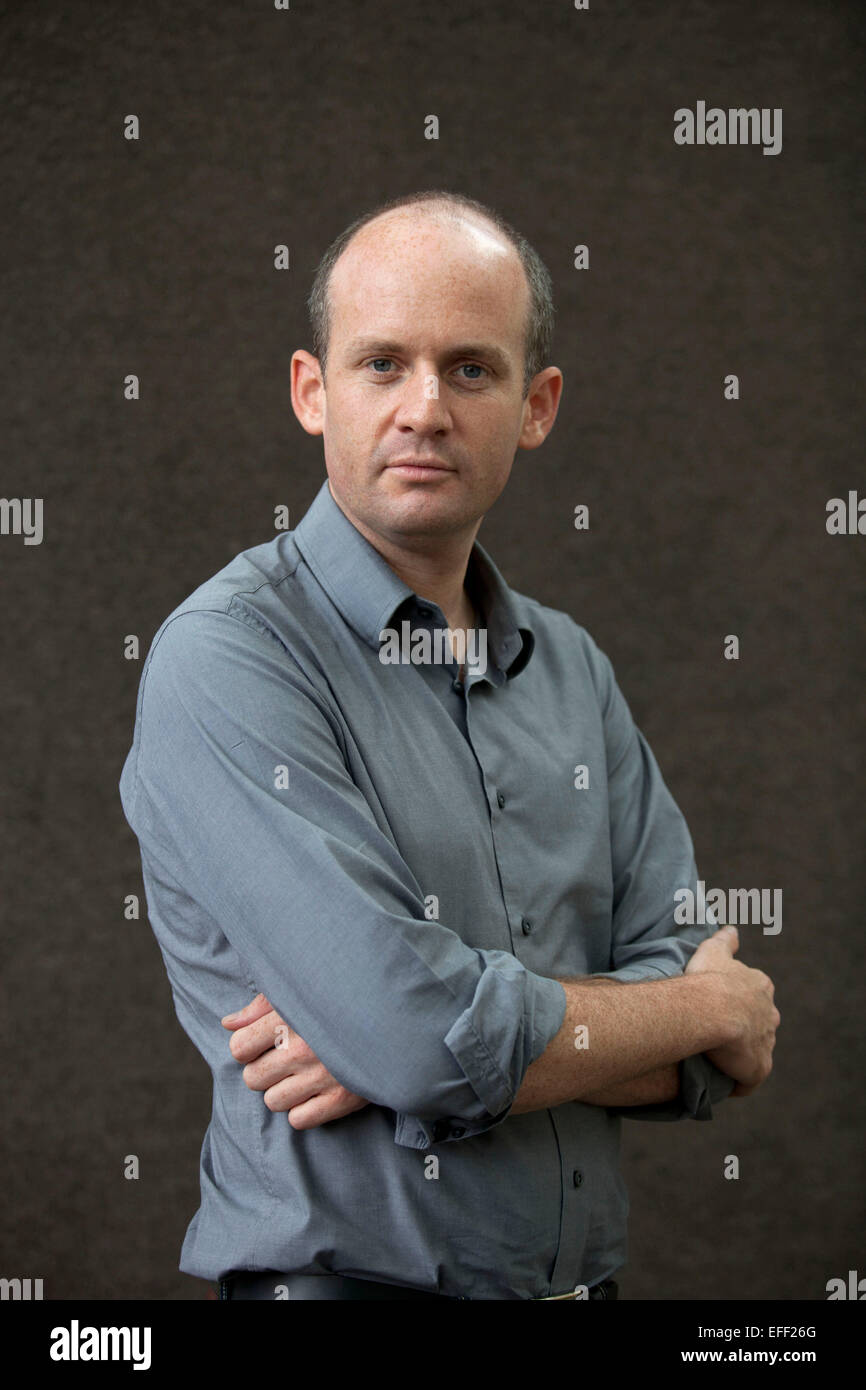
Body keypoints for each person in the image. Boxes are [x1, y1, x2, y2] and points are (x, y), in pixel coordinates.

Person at [118, 189, 780, 1302]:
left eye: (470, 369)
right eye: (382, 363)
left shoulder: (572, 667)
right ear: (310, 391)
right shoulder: (226, 658)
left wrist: (426, 1043)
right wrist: (704, 1005)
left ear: (536, 404)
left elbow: (692, 1062)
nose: (423, 407)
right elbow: (433, 1039)